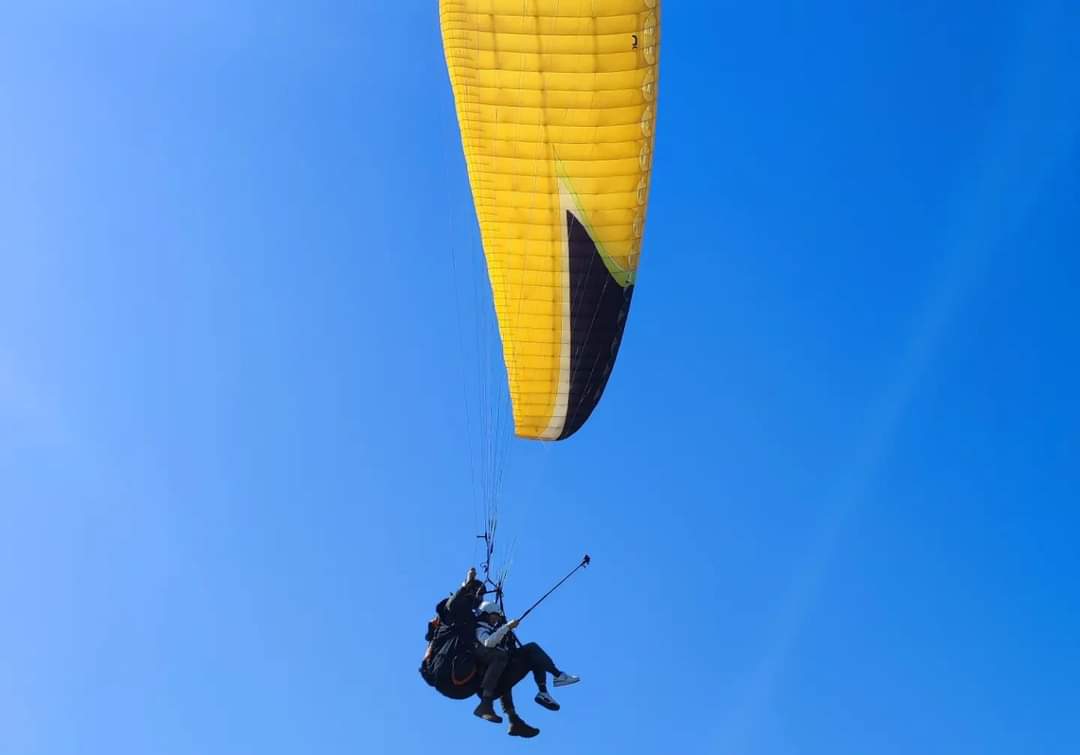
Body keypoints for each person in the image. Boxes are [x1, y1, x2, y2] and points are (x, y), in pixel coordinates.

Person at [472, 600, 580, 738]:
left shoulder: (493, 629)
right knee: (531, 649)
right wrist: (506, 627)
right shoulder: (479, 628)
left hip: (498, 679)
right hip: (488, 684)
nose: (495, 619)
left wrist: (506, 631)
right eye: (494, 616)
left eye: (497, 617)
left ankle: (543, 692)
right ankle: (558, 675)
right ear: (486, 614)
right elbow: (488, 642)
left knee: (533, 655)